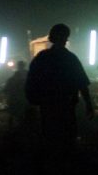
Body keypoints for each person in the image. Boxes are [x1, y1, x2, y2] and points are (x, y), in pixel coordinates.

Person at [24, 24, 94, 160]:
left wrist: (32, 99)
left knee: (49, 136)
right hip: (66, 105)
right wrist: (88, 104)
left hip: (48, 105)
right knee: (67, 138)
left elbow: (31, 80)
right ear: (65, 38)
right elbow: (82, 82)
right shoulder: (70, 58)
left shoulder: (42, 57)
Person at [3, 60, 29, 129]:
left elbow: (5, 90)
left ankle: (11, 130)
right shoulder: (29, 76)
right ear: (24, 65)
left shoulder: (12, 79)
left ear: (18, 66)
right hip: (24, 100)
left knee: (12, 116)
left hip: (14, 100)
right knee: (23, 117)